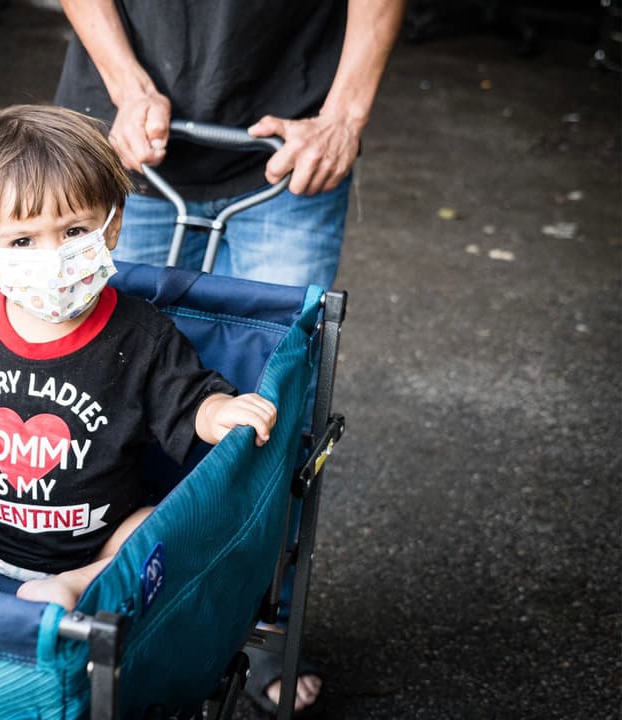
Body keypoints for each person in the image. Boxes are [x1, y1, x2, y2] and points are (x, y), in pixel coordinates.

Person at [54, 2, 405, 712]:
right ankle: (89, 609)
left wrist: (345, 116)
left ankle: (257, 626)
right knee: (93, 383)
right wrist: (126, 83)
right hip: (129, 128)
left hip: (290, 136)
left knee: (271, 419)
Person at [0, 105, 277, 611]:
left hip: (99, 533)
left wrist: (222, 413)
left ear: (111, 226)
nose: (53, 256)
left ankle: (77, 583)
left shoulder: (141, 333)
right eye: (23, 240)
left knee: (172, 524)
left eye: (75, 232)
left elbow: (190, 401)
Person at [54, 0, 406, 289]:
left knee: (272, 363)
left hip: (291, 155)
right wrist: (130, 89)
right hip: (128, 146)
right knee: (116, 360)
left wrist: (343, 118)